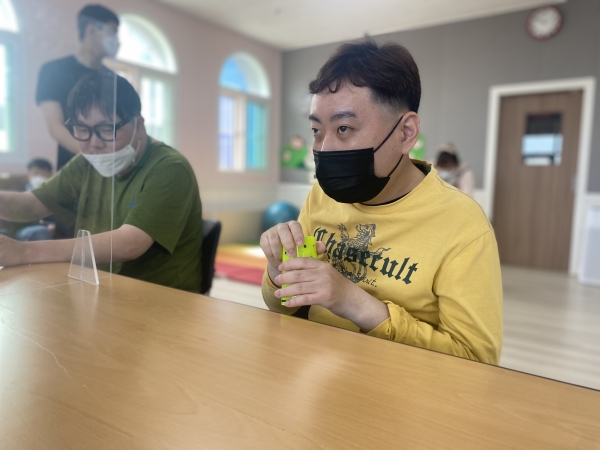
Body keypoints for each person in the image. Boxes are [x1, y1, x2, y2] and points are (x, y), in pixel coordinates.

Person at [260, 40, 503, 364]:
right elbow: (286, 307)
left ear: (406, 133)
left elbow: (477, 362)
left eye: (344, 128)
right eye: (317, 130)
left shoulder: (462, 223)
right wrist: (278, 271)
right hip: (315, 374)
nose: (325, 149)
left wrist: (356, 303)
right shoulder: (320, 196)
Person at [0, 73, 203, 293]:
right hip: (96, 289)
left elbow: (130, 243)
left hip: (159, 299)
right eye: (82, 130)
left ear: (138, 124)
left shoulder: (169, 168)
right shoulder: (87, 162)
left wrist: (23, 252)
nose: (94, 144)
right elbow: (31, 205)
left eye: (107, 130)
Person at [36, 4, 120, 171]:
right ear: (91, 29)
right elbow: (56, 127)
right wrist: (95, 156)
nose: (117, 39)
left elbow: (120, 125)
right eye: (112, 31)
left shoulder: (114, 79)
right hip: (74, 170)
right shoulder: (53, 70)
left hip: (111, 168)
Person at [14, 159, 55, 241]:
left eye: (43, 174)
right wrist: (46, 225)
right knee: (41, 231)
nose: (39, 177)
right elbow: (18, 216)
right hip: (24, 228)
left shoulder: (56, 193)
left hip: (53, 227)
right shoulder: (18, 192)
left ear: (51, 175)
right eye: (35, 173)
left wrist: (54, 225)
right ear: (28, 175)